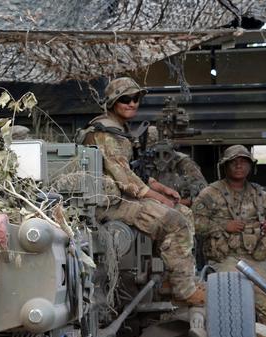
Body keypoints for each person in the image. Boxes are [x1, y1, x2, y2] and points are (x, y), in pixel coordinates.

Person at [79, 77, 204, 305]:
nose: (132, 103)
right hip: (109, 204)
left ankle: (170, 280)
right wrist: (157, 197)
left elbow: (133, 171)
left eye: (136, 98)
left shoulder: (119, 130)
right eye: (125, 99)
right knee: (175, 221)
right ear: (112, 102)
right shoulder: (104, 133)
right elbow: (124, 178)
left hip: (121, 198)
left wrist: (161, 188)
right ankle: (185, 291)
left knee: (183, 214)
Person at [192, 145, 266, 333]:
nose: (239, 166)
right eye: (234, 162)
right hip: (225, 259)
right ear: (225, 166)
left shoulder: (260, 195)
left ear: (251, 166)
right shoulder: (210, 193)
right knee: (230, 309)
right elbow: (193, 222)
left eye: (243, 162)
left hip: (255, 259)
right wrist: (223, 226)